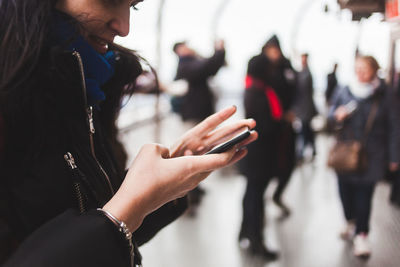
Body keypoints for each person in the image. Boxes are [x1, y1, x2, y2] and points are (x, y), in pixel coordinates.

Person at [0, 0, 258, 266]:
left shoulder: (90, 85)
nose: (124, 28)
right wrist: (119, 215)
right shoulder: (77, 81)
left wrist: (155, 192)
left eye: (133, 6)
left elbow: (84, 215)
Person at [328, 55, 400, 258]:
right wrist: (336, 115)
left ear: (375, 71)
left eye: (365, 69)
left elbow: (395, 126)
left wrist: (395, 157)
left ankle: (362, 234)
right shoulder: (344, 89)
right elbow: (330, 116)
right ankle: (350, 220)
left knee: (364, 196)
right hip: (345, 152)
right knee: (344, 192)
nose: (360, 73)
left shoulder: (386, 95)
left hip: (373, 154)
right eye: (357, 68)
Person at [238, 34, 296, 261]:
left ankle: (244, 233)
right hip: (260, 155)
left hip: (255, 155)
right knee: (255, 198)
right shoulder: (260, 94)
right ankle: (256, 241)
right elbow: (266, 126)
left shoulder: (254, 89)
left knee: (251, 194)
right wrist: (283, 122)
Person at [172, 40, 226, 213]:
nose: (189, 47)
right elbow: (207, 67)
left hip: (197, 114)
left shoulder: (190, 64)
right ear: (179, 50)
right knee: (192, 153)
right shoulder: (185, 66)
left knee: (198, 152)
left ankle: (194, 187)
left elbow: (210, 67)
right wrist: (218, 51)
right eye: (185, 46)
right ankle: (189, 190)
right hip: (192, 116)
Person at [292, 53, 317, 160]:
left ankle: (301, 152)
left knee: (305, 130)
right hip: (304, 108)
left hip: (305, 108)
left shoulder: (306, 74)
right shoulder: (303, 72)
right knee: (306, 130)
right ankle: (308, 150)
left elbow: (302, 88)